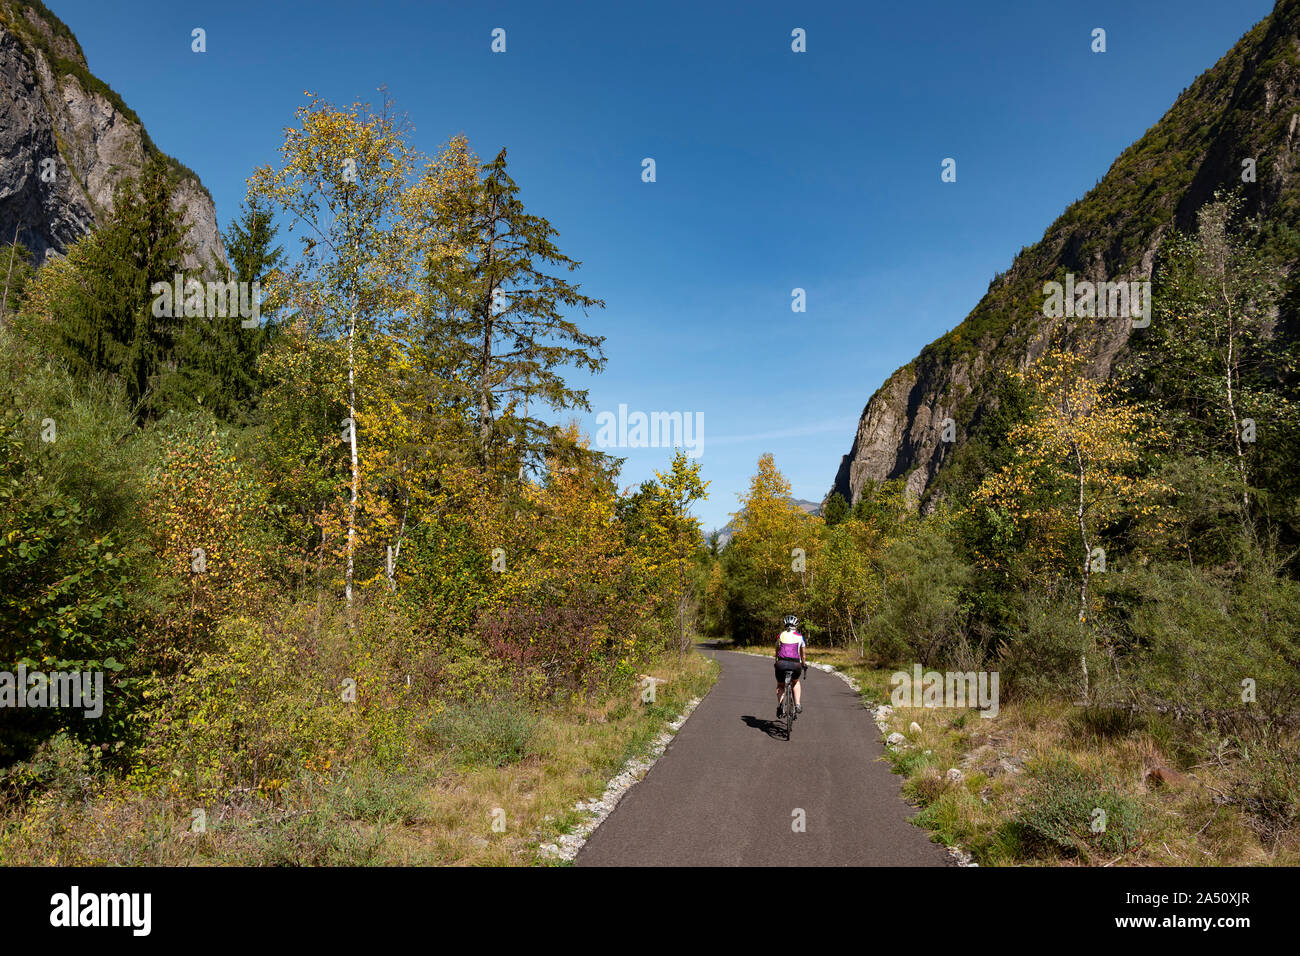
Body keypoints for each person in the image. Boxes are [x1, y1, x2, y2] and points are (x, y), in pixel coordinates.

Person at [774, 614, 805, 717]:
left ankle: (781, 705)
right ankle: (797, 704)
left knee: (780, 685)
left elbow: (777, 651)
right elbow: (803, 655)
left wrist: (776, 662)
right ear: (795, 626)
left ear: (785, 625)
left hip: (781, 664)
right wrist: (804, 665)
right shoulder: (800, 637)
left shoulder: (780, 635)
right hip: (796, 665)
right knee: (795, 682)